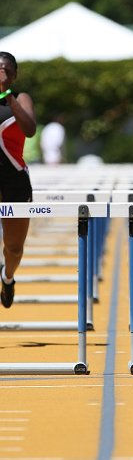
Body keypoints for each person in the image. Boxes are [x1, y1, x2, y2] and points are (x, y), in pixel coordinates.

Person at [0, 51, 37, 307]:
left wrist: (7, 95)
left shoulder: (20, 98)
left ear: (14, 75)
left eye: (7, 71)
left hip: (15, 180)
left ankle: (8, 277)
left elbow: (30, 129)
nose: (2, 74)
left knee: (13, 248)